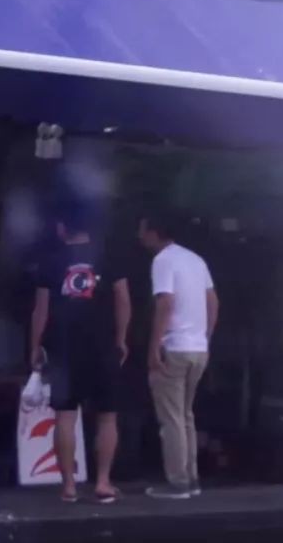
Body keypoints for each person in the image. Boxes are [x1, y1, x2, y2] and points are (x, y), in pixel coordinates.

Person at [30, 202, 131, 504]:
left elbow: (41, 310)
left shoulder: (50, 262)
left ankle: (69, 486)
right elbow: (123, 300)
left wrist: (35, 346)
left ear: (62, 228)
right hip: (102, 345)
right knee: (107, 417)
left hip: (63, 348)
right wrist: (121, 338)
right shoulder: (108, 257)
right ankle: (103, 482)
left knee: (64, 416)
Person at [139, 210, 218, 499]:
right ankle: (191, 478)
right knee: (185, 415)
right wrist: (205, 337)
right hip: (198, 348)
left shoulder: (163, 260)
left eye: (142, 229)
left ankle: (178, 482)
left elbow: (165, 303)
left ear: (154, 233)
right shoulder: (196, 259)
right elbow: (213, 301)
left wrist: (153, 346)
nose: (139, 235)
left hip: (174, 347)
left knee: (171, 418)